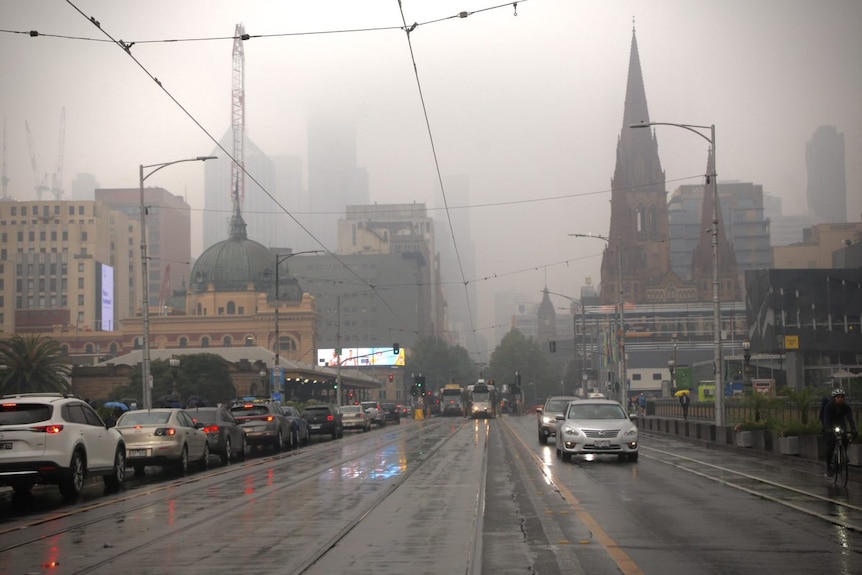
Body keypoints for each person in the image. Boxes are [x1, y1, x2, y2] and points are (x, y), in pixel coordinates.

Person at [822, 389, 858, 478]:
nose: (840, 399)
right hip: (830, 426)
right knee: (831, 445)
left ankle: (843, 456)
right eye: (838, 397)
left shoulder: (846, 407)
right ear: (834, 398)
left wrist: (853, 430)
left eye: (842, 397)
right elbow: (826, 419)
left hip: (841, 425)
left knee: (845, 440)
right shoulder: (828, 407)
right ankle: (828, 466)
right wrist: (828, 428)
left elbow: (850, 419)